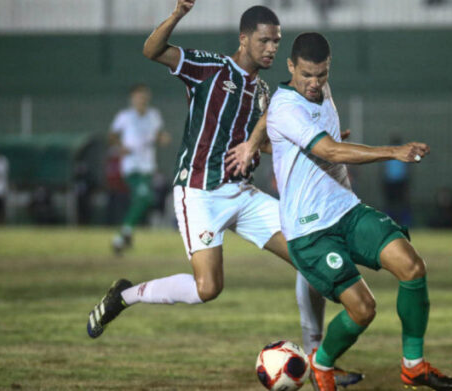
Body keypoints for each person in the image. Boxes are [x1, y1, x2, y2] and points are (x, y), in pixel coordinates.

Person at [86, 2, 362, 387]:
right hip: (198, 193)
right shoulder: (211, 69)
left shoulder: (263, 91)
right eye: (264, 40)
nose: (271, 49)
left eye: (276, 42)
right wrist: (178, 14)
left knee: (310, 258)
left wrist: (312, 144)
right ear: (244, 39)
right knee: (208, 289)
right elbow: (152, 50)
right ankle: (126, 295)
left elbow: (263, 145)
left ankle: (318, 359)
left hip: (242, 194)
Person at [228, 32, 452, 391]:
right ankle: (321, 365)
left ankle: (413, 366)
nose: (314, 83)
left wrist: (318, 141)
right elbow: (332, 152)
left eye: (321, 74)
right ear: (290, 67)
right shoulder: (286, 105)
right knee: (363, 309)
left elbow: (321, 142)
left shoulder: (320, 90)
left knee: (412, 267)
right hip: (311, 233)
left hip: (346, 210)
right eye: (306, 74)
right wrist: (393, 151)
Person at [110, 84, 171, 254]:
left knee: (143, 199)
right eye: (138, 96)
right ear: (132, 99)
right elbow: (112, 136)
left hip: (147, 166)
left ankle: (123, 237)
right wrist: (120, 146)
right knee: (145, 197)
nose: (141, 100)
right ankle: (125, 233)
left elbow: (158, 134)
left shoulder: (154, 115)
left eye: (144, 96)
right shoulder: (125, 116)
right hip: (131, 166)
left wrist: (163, 138)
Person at [382, 135, 411, 225]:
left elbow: (407, 168)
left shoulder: (402, 154)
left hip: (400, 181)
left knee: (402, 203)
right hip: (391, 181)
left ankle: (405, 222)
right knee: (391, 203)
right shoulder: (389, 153)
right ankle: (389, 222)